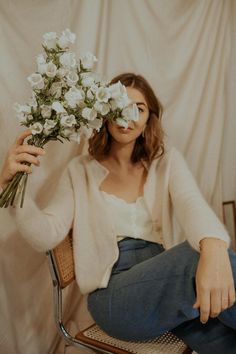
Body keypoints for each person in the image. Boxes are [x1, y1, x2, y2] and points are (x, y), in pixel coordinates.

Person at [0, 73, 236, 354]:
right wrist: (12, 189)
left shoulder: (166, 162)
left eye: (140, 108)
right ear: (104, 112)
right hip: (113, 294)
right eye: (120, 104)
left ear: (150, 118)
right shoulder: (81, 170)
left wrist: (213, 247)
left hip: (165, 282)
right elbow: (46, 233)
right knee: (194, 259)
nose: (130, 115)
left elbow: (191, 203)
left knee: (221, 335)